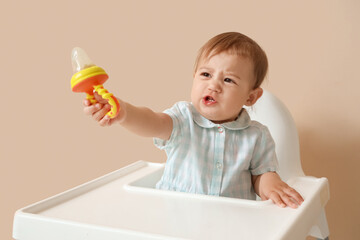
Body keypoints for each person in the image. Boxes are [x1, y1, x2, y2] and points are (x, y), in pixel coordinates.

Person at [83, 32, 304, 208]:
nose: (213, 85)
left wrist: (271, 185)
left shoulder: (257, 136)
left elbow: (261, 176)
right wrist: (124, 112)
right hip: (174, 220)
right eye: (206, 75)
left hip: (229, 224)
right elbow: (151, 122)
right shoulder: (182, 119)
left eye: (228, 80)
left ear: (251, 97)